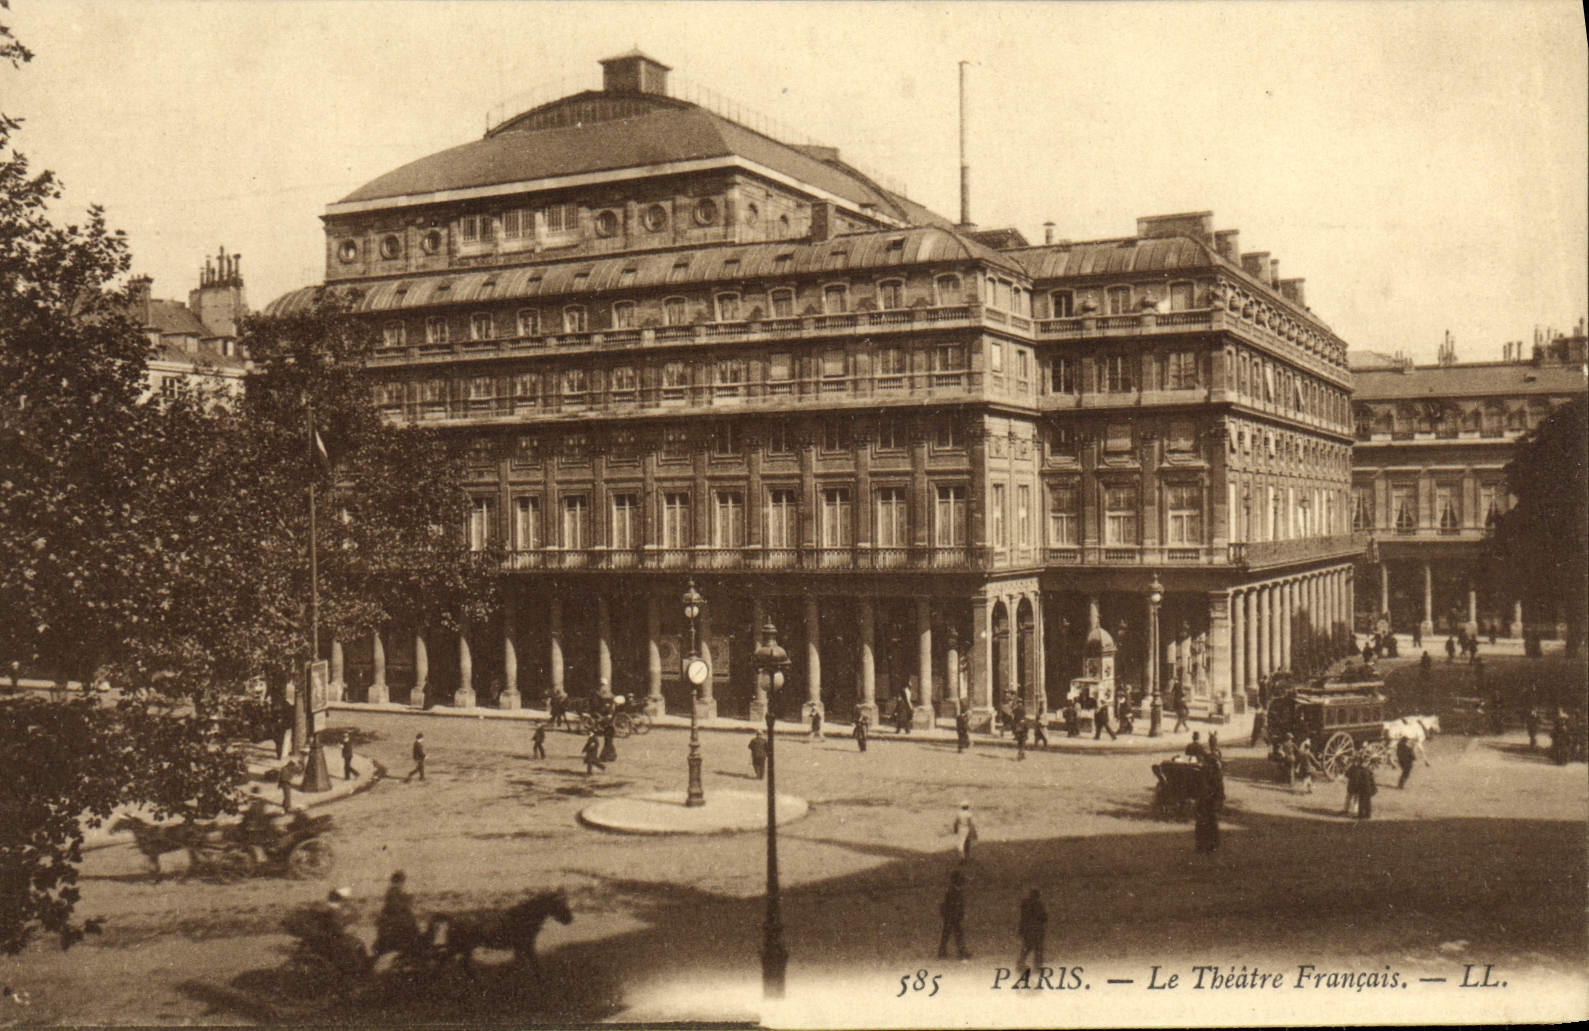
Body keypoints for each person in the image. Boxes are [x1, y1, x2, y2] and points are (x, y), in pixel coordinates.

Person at [371, 871, 421, 966]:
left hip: (392, 919)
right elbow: (396, 907)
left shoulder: (394, 892)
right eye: (402, 881)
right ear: (399, 881)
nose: (403, 884)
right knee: (411, 924)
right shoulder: (393, 892)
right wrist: (407, 903)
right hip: (396, 921)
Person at [937, 869, 971, 961]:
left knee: (947, 933)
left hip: (950, 916)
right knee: (957, 934)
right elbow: (955, 905)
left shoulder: (952, 890)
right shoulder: (954, 892)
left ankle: (942, 951)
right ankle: (961, 952)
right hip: (952, 916)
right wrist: (959, 915)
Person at [1016, 888, 1046, 975]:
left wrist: (1021, 930)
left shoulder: (1026, 905)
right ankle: (1037, 968)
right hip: (1037, 931)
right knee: (1037, 950)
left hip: (1028, 931)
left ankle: (1020, 965)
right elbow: (1044, 917)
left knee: (1026, 948)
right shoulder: (1038, 905)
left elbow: (1023, 918)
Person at [1194, 774, 1220, 853]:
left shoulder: (1214, 774)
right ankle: (1202, 845)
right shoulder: (1205, 773)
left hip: (1209, 801)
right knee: (1203, 822)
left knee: (1209, 822)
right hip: (1204, 800)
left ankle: (1210, 844)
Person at [1352, 752, 1377, 819]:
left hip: (1362, 789)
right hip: (1368, 789)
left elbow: (1357, 781)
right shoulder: (1369, 770)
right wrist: (1374, 788)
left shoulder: (1359, 771)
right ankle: (1368, 815)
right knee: (1368, 803)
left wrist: (1355, 789)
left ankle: (1360, 815)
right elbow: (1372, 780)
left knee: (1361, 802)